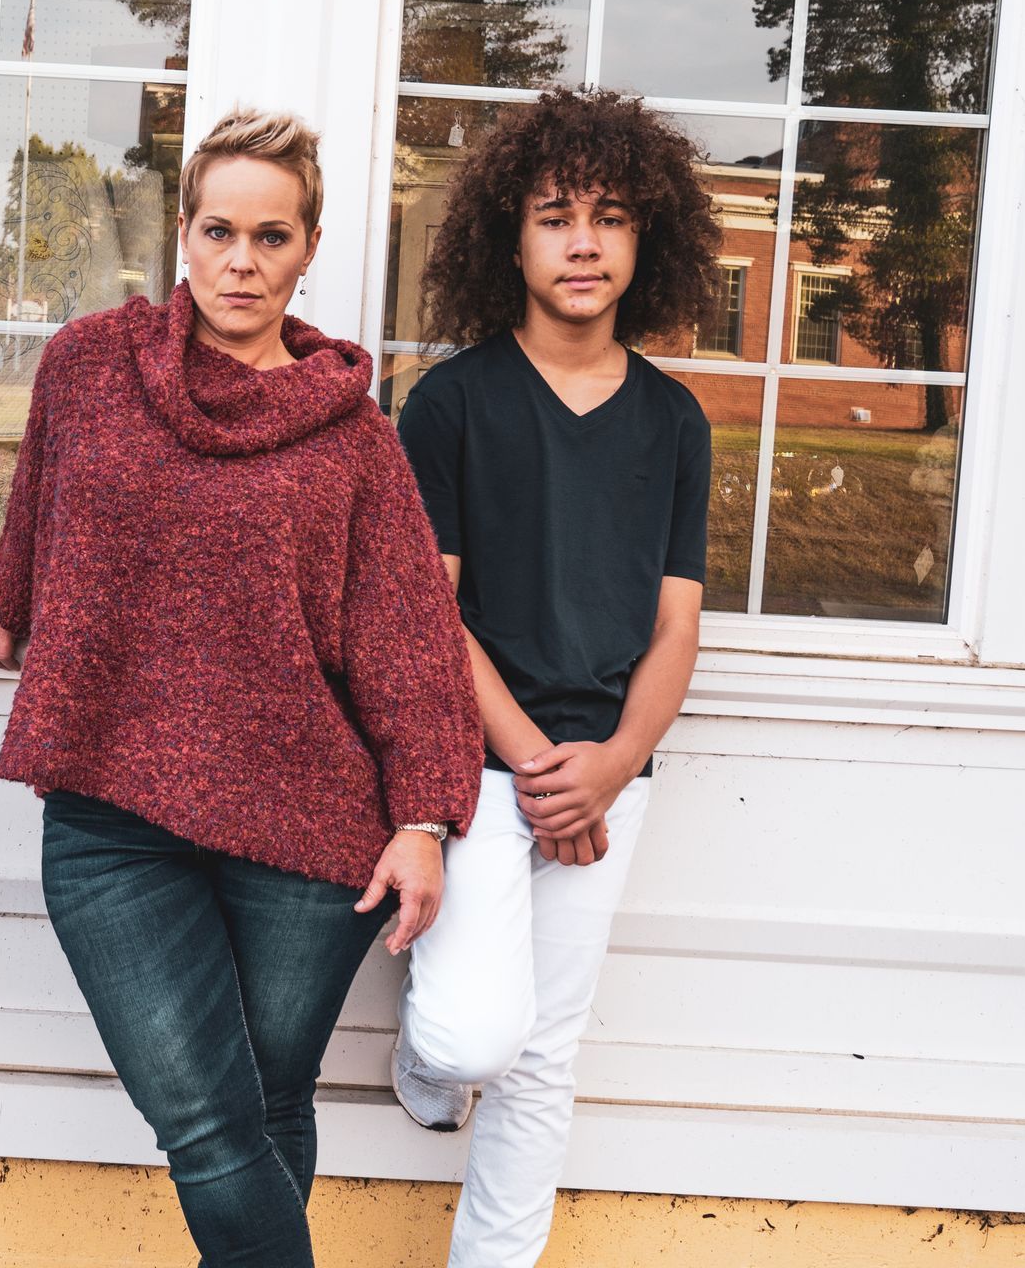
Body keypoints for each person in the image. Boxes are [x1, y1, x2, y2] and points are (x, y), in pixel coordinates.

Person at [0, 108, 483, 1267]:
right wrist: (14, 606)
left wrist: (422, 817)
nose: (241, 260)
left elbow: (408, 637)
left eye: (272, 235)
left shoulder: (354, 437)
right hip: (111, 814)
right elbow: (37, 535)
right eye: (219, 230)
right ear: (182, 237)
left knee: (264, 1103)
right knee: (205, 1117)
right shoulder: (88, 366)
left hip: (305, 828)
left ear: (307, 251)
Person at [390, 88, 720, 1267]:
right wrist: (536, 759)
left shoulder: (677, 422)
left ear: (650, 238)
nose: (584, 241)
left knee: (544, 1060)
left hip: (608, 783)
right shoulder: (453, 403)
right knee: (480, 1039)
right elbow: (427, 612)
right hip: (479, 766)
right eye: (553, 215)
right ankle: (426, 1059)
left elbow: (675, 623)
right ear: (506, 238)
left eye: (612, 215)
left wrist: (615, 762)